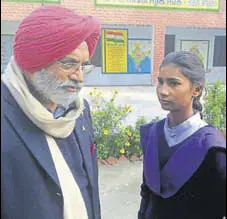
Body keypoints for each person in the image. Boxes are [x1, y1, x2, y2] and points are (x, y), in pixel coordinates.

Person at [1, 5, 101, 219]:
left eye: (84, 66)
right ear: (33, 61)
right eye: (69, 64)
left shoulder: (80, 111)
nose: (80, 77)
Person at [138, 51, 226, 219]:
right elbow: (147, 193)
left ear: (196, 90)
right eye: (160, 82)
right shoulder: (152, 134)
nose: (163, 91)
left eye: (174, 83)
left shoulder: (212, 149)